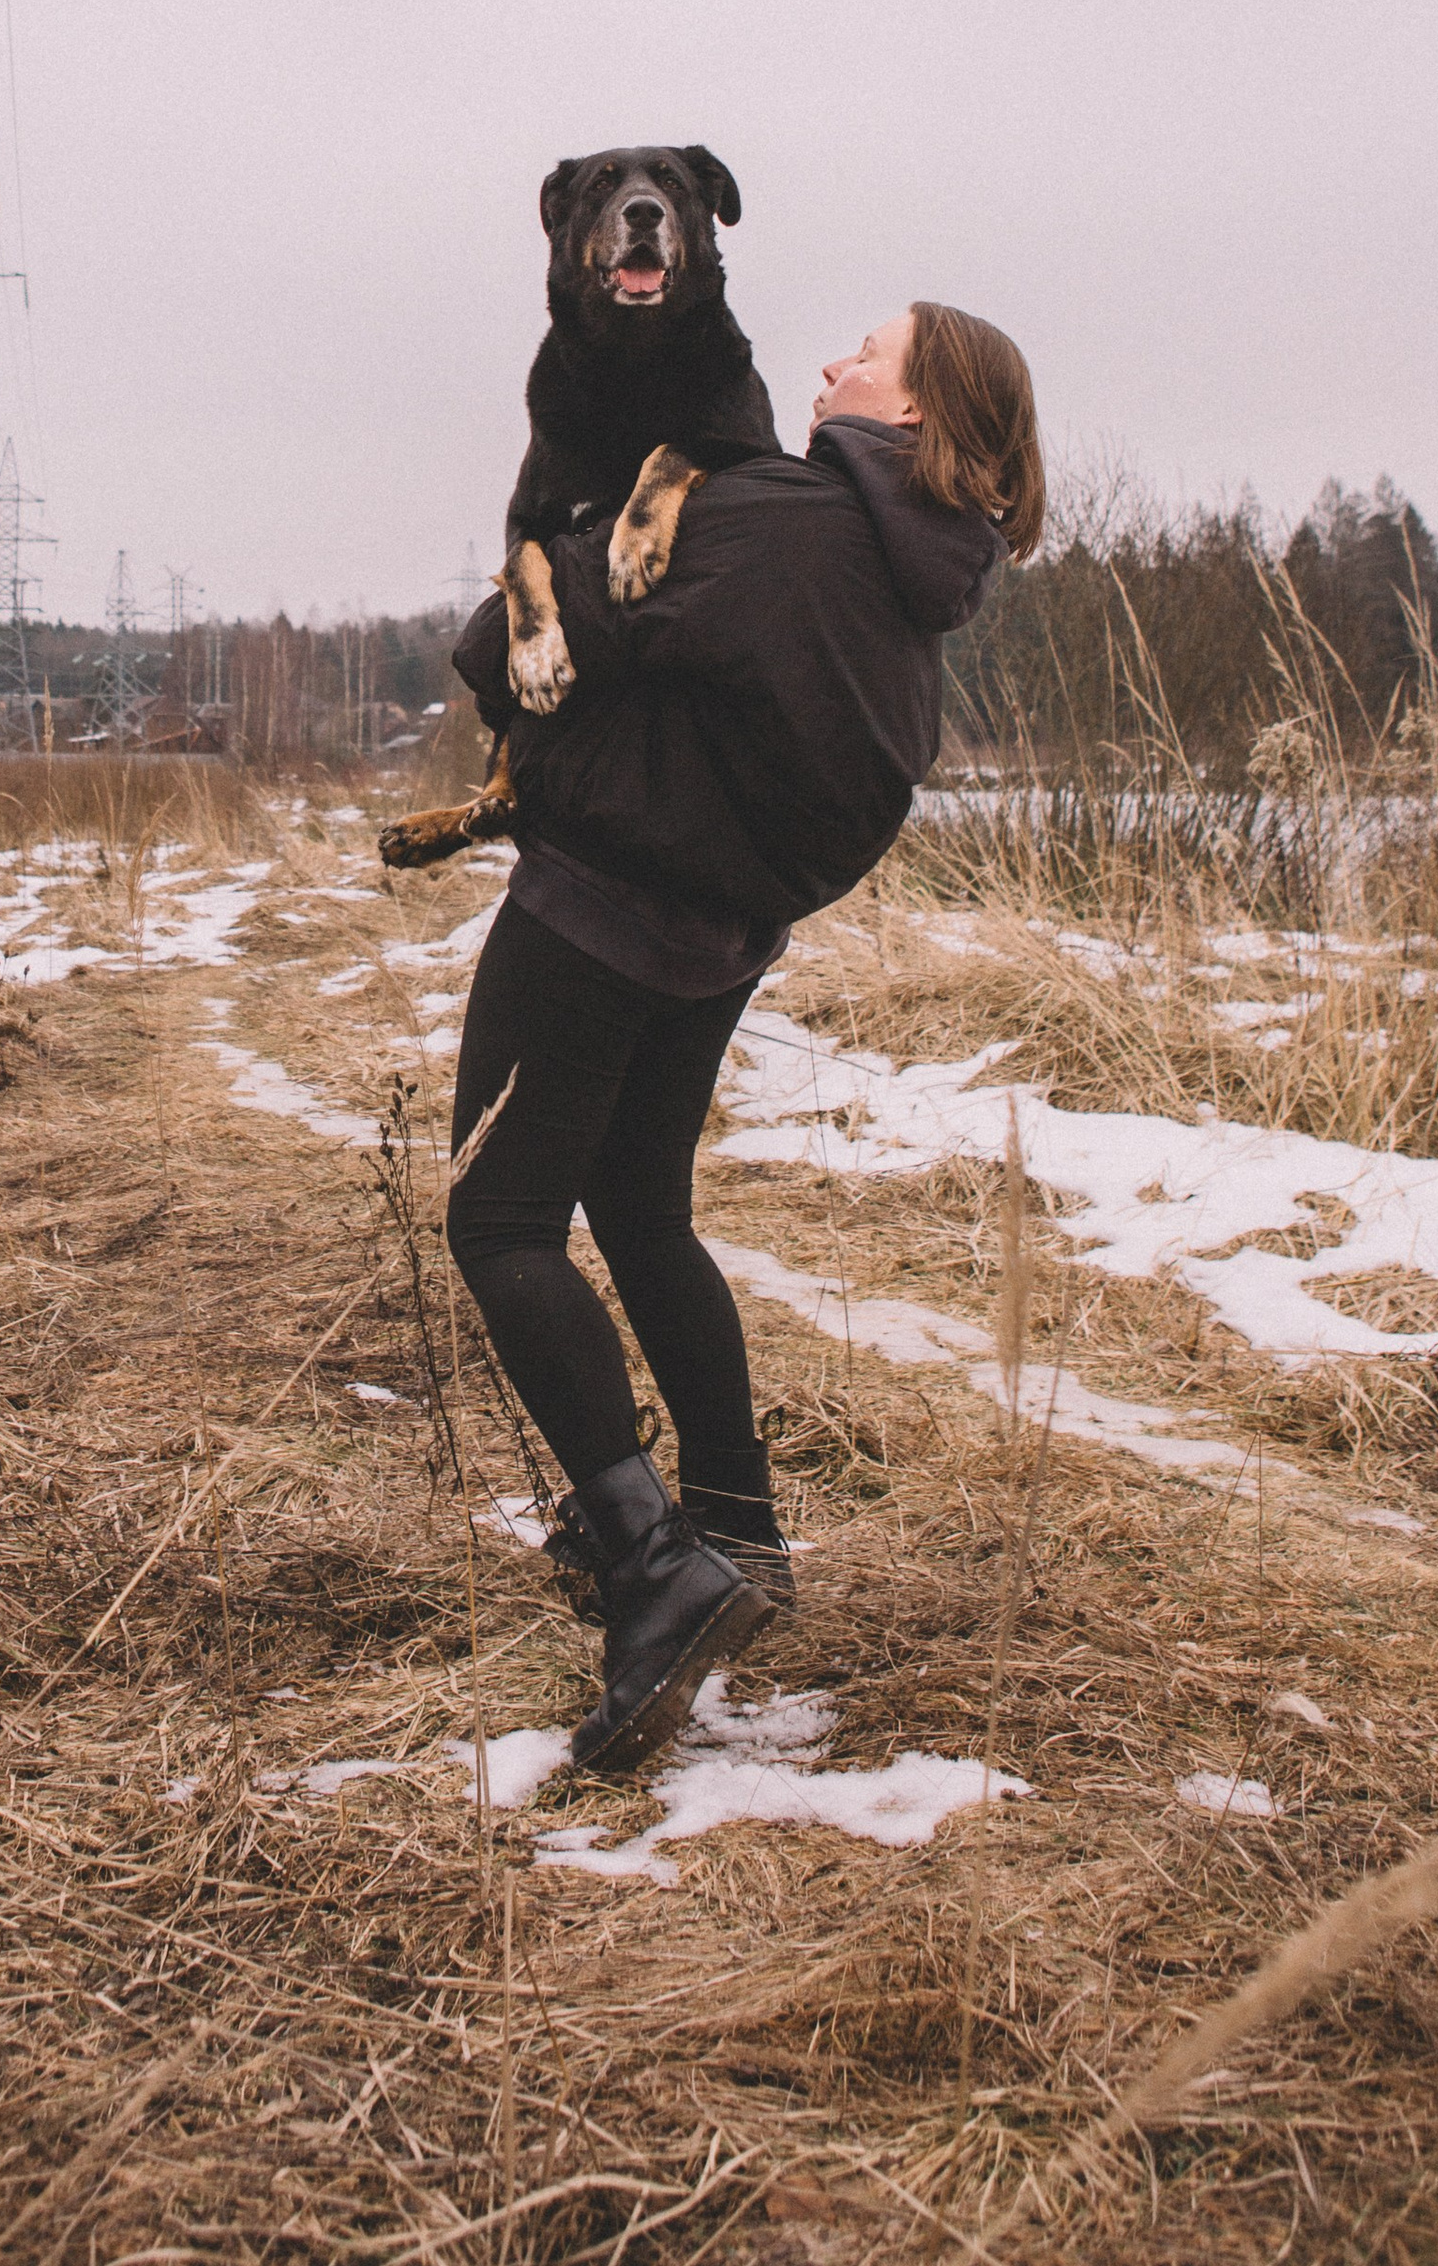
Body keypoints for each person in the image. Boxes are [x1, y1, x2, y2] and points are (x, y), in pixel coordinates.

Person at [445, 299, 1044, 1773]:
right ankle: (738, 1525)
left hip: (602, 901)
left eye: (868, 354)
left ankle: (656, 1564)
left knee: (499, 1220)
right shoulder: (919, 566)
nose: (831, 364)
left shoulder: (780, 516)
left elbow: (500, 643)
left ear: (913, 409)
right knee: (641, 1213)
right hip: (722, 933)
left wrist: (543, 597)